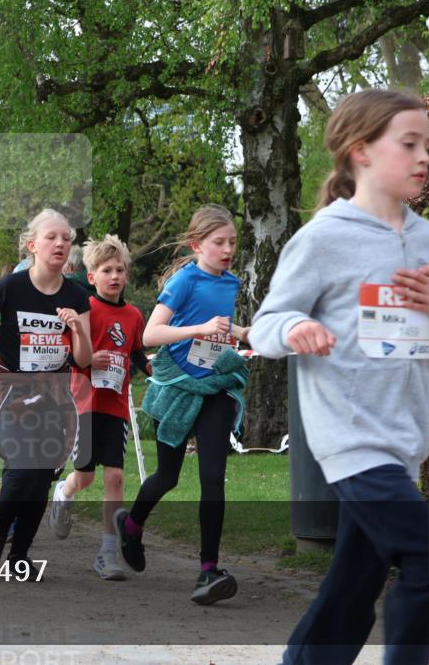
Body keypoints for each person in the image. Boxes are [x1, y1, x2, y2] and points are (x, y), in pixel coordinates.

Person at [249, 89, 429, 665]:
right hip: (351, 439)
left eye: (427, 145)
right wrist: (295, 327)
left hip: (402, 447)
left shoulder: (428, 240)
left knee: (350, 592)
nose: (423, 157)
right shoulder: (323, 237)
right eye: (409, 144)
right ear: (361, 150)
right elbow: (264, 324)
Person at [114, 204, 250, 605]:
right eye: (218, 243)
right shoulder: (184, 281)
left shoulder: (230, 282)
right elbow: (151, 335)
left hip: (216, 387)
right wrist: (201, 329)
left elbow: (222, 327)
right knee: (168, 476)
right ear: (196, 244)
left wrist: (246, 332)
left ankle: (208, 571)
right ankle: (133, 525)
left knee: (212, 476)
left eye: (232, 242)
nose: (227, 249)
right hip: (178, 384)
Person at [0, 209, 93, 577]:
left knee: (39, 478)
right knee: (20, 472)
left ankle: (19, 555)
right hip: (12, 393)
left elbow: (83, 358)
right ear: (32, 245)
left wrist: (76, 331)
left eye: (67, 238)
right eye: (52, 237)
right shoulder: (10, 286)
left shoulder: (77, 296)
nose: (61, 244)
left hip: (54, 396)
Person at [48, 235, 151, 580]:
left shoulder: (135, 315)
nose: (115, 276)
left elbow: (135, 351)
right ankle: (64, 490)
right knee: (86, 474)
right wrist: (92, 358)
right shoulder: (85, 310)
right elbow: (71, 353)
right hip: (85, 400)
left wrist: (151, 367)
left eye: (120, 270)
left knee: (116, 476)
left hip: (117, 405)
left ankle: (107, 553)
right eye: (106, 270)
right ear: (92, 277)